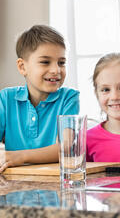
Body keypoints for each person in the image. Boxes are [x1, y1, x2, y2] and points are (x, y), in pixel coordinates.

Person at [0, 25, 79, 172]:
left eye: (61, 62)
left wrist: (19, 157)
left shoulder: (69, 98)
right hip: (14, 186)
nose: (56, 70)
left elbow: (65, 147)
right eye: (45, 62)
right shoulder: (5, 99)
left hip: (55, 186)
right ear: (22, 67)